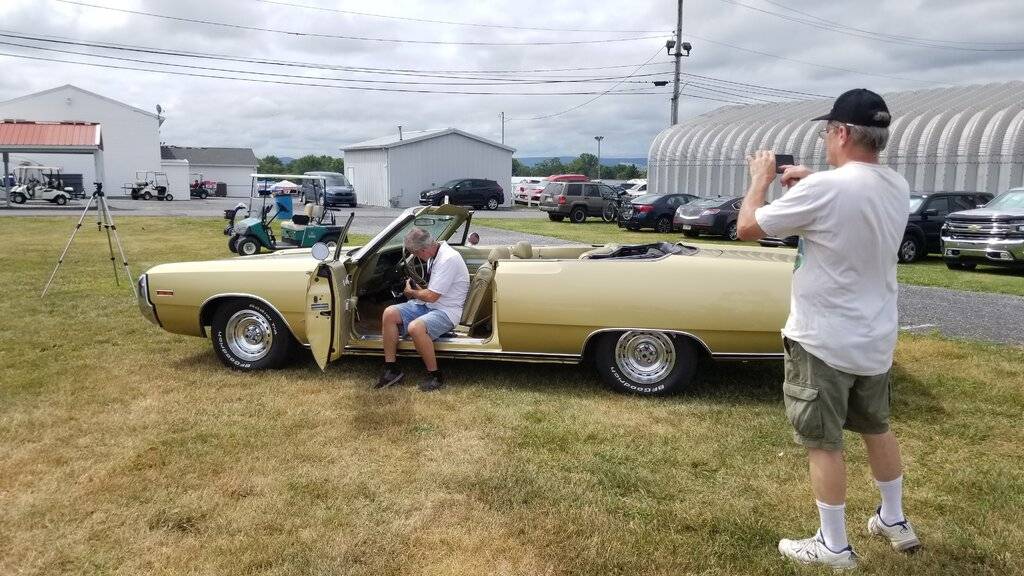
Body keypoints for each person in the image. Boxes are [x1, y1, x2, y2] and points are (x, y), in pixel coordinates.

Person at [736, 89, 920, 569]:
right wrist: (813, 179)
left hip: (823, 339)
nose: (824, 140)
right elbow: (852, 193)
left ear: (841, 132)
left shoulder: (828, 189)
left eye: (825, 132)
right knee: (877, 428)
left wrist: (759, 180)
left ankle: (834, 546)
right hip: (874, 336)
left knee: (823, 443)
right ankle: (894, 519)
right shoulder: (895, 185)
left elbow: (748, 227)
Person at [376, 227, 469, 392]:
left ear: (424, 250)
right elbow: (433, 292)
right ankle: (391, 369)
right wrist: (418, 290)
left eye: (416, 253)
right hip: (431, 305)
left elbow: (432, 296)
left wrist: (411, 292)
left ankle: (435, 375)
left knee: (415, 328)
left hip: (447, 311)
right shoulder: (436, 254)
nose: (416, 257)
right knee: (389, 313)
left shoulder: (448, 259)